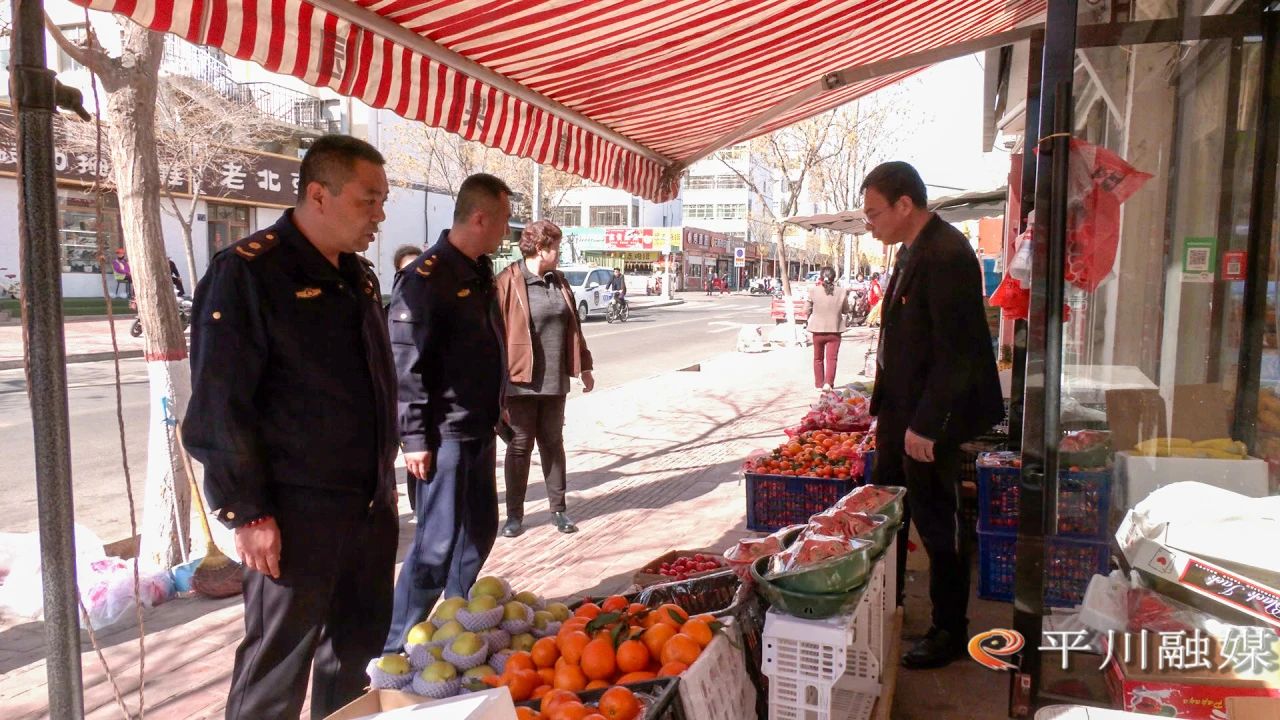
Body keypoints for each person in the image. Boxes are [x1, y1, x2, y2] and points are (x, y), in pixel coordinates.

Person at [183, 134, 398, 719]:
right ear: (318, 195)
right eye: (368, 200)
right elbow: (220, 405)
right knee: (276, 669)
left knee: (355, 658)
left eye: (383, 201)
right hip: (293, 513)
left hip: (368, 504)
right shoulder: (249, 272)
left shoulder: (359, 276)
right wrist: (247, 511)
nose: (379, 215)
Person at [862, 161, 1003, 670]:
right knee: (886, 511)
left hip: (928, 419)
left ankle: (949, 629)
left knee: (938, 521)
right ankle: (888, 604)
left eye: (874, 213)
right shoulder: (910, 250)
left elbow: (957, 351)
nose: (869, 224)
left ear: (905, 205)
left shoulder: (947, 254)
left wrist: (927, 424)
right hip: (900, 411)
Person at [384, 173, 511, 653]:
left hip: (478, 426)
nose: (506, 230)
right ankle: (394, 646)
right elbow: (407, 363)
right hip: (443, 435)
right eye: (502, 220)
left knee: (479, 531)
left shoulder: (477, 271)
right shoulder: (427, 277)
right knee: (435, 546)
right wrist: (414, 437)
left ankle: (456, 619)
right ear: (479, 218)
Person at [495, 220, 594, 538]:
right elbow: (494, 334)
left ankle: (559, 510)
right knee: (519, 446)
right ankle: (514, 516)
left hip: (554, 379)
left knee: (553, 443)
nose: (559, 253)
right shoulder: (508, 281)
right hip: (519, 379)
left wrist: (585, 366)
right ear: (541, 248)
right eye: (557, 247)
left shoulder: (559, 281)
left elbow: (575, 327)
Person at [805, 266, 849, 391]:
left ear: (821, 276)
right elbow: (846, 310)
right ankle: (828, 383)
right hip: (835, 330)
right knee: (832, 359)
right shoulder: (841, 291)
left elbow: (806, 309)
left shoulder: (813, 290)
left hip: (817, 330)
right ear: (834, 277)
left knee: (818, 358)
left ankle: (819, 384)